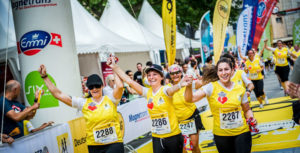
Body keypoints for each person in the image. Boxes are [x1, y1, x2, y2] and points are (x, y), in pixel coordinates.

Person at [107, 56, 192, 153]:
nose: (151, 77)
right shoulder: (147, 92)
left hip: (172, 137)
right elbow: (129, 81)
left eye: (155, 74)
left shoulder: (165, 89)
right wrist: (114, 66)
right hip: (156, 137)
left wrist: (180, 85)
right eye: (149, 75)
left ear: (161, 77)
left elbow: (172, 90)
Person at [38, 64, 124, 153]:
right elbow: (58, 94)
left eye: (97, 86)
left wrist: (114, 67)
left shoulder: (111, 99)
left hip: (114, 143)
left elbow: (120, 86)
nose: (94, 89)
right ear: (88, 89)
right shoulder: (83, 103)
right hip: (94, 145)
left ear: (102, 86)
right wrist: (45, 77)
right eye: (91, 87)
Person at [185, 58, 256, 153]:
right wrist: (189, 86)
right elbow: (190, 99)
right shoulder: (210, 87)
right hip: (221, 135)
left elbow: (247, 110)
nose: (224, 73)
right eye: (220, 70)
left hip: (242, 132)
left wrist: (251, 118)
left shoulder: (240, 89)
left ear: (232, 70)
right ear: (217, 72)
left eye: (226, 69)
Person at [167, 64, 203, 153]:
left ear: (181, 73)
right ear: (170, 75)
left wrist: (199, 78)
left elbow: (199, 83)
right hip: (177, 121)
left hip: (191, 117)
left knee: (194, 145)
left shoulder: (187, 82)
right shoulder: (167, 87)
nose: (175, 75)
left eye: (177, 72)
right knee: (182, 148)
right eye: (172, 73)